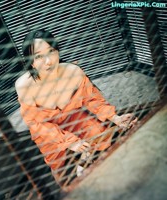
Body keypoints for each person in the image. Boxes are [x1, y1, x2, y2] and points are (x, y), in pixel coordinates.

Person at [15, 29, 137, 188]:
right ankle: (65, 189)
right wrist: (70, 142)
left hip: (74, 117)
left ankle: (91, 168)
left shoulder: (73, 71)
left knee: (97, 131)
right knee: (57, 161)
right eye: (38, 56)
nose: (48, 61)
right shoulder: (24, 86)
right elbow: (37, 125)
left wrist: (115, 118)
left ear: (57, 50)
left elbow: (92, 99)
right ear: (30, 61)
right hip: (47, 129)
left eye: (51, 51)